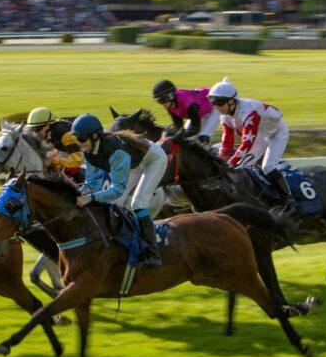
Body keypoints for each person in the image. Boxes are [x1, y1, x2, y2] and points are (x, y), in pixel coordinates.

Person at [70, 113, 167, 267]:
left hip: (154, 160)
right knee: (114, 203)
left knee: (138, 203)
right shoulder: (89, 152)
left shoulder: (116, 151)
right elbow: (92, 182)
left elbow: (117, 189)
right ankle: (124, 244)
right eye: (77, 139)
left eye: (82, 139)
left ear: (95, 136)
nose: (79, 143)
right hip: (135, 162)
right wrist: (81, 191)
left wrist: (91, 198)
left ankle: (152, 253)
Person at [208, 77, 296, 212]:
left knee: (268, 167)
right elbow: (227, 141)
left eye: (219, 103)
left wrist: (230, 162)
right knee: (242, 168)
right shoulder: (224, 115)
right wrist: (221, 159)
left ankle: (289, 199)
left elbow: (247, 143)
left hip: (276, 133)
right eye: (213, 103)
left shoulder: (249, 111)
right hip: (261, 135)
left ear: (231, 100)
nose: (216, 107)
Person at [25, 107, 84, 181]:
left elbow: (77, 161)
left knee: (70, 166)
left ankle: (84, 185)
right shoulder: (49, 132)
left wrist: (56, 160)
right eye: (32, 129)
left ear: (47, 125)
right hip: (69, 146)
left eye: (37, 129)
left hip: (87, 150)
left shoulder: (65, 134)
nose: (35, 133)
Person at [151, 80, 219, 144]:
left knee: (203, 138)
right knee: (185, 140)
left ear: (170, 96)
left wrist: (177, 135)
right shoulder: (170, 105)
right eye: (159, 102)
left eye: (162, 101)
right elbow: (178, 125)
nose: (162, 104)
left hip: (214, 107)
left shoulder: (187, 102)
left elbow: (195, 129)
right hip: (199, 113)